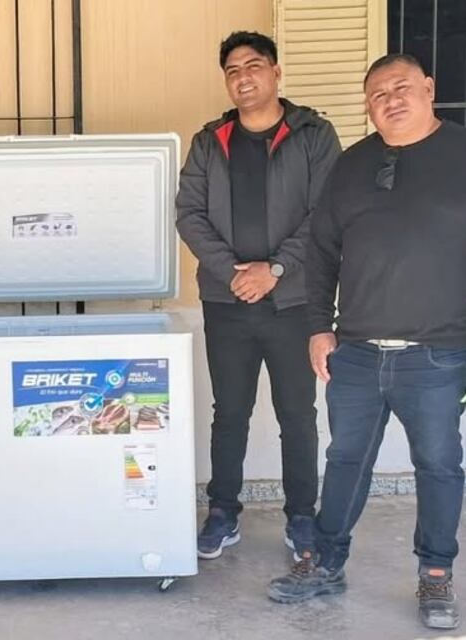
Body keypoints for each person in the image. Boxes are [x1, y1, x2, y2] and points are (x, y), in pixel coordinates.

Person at [268, 53, 466, 632]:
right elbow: (322, 250)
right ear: (367, 106)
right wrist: (317, 327)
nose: (390, 100)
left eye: (401, 87)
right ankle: (327, 563)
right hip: (354, 351)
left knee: (438, 464)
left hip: (437, 353)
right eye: (377, 94)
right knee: (345, 461)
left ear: (429, 88)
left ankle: (435, 575)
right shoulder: (351, 165)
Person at [175, 31, 340, 561]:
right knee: (230, 412)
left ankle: (301, 517)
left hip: (294, 303)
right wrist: (234, 273)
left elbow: (326, 213)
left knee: (297, 414)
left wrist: (274, 269)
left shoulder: (313, 135)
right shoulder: (209, 141)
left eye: (253, 65)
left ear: (275, 73)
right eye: (232, 70)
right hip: (227, 303)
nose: (243, 77)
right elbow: (190, 215)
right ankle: (222, 510)